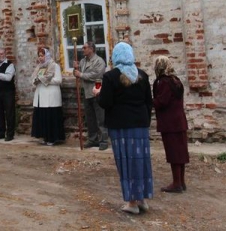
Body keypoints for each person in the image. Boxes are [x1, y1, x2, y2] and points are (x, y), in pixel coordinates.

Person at [95, 42, 153, 214]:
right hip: (140, 126)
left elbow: (106, 102)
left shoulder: (111, 77)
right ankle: (142, 198)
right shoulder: (142, 75)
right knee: (141, 162)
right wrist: (145, 121)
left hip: (121, 126)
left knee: (126, 162)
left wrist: (98, 94)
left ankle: (132, 202)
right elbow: (148, 102)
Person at [153, 55, 189, 193]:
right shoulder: (176, 80)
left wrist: (148, 101)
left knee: (174, 153)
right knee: (180, 152)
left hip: (170, 122)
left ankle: (176, 183)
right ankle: (181, 181)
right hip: (179, 121)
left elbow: (162, 101)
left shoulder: (163, 82)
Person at [73, 41, 108, 150]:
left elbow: (97, 75)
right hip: (86, 92)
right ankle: (93, 139)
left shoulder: (99, 61)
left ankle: (103, 140)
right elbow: (77, 74)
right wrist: (76, 69)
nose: (82, 49)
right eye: (82, 47)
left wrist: (81, 74)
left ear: (91, 49)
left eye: (84, 47)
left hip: (97, 90)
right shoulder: (83, 61)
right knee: (90, 118)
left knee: (100, 118)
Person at [30, 47, 65, 146]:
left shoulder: (54, 66)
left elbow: (58, 80)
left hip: (51, 95)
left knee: (51, 116)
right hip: (41, 95)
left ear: (47, 55)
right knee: (43, 117)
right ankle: (45, 136)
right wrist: (37, 80)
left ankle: (53, 137)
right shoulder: (39, 67)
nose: (40, 58)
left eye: (42, 55)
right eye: (39, 56)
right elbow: (33, 80)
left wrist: (46, 80)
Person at [0, 48, 16, 142]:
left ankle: (10, 134)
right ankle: (0, 133)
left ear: (5, 54)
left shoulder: (10, 65)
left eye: (2, 54)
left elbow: (8, 77)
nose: (0, 55)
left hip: (8, 92)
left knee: (9, 113)